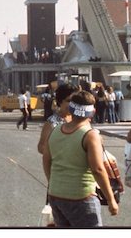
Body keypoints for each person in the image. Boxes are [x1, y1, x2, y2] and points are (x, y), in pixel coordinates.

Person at [42, 90, 119, 226]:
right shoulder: (90, 135)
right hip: (81, 197)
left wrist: (54, 183)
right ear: (93, 112)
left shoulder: (55, 130)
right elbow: (98, 170)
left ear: (71, 109)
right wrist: (111, 199)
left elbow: (46, 160)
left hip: (56, 195)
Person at [37, 83, 78, 154]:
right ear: (60, 101)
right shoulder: (52, 123)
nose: (72, 104)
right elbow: (41, 147)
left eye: (75, 101)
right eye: (69, 101)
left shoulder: (78, 119)